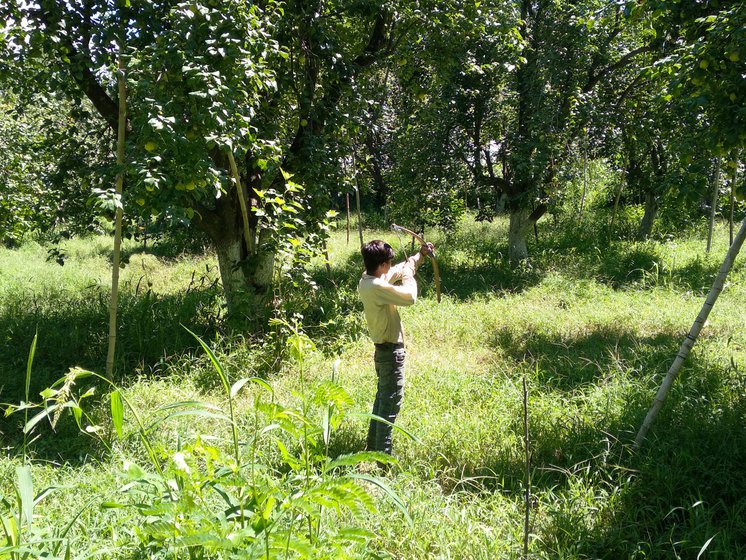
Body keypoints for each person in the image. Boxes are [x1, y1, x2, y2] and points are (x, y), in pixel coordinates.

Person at [358, 239, 433, 455]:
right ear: (381, 265)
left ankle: (372, 449)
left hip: (384, 352)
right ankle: (383, 461)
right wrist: (409, 276)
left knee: (382, 402)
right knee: (389, 408)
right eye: (388, 263)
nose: (391, 266)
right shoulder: (377, 286)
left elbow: (399, 269)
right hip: (391, 353)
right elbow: (410, 297)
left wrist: (420, 256)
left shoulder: (368, 279)